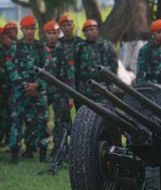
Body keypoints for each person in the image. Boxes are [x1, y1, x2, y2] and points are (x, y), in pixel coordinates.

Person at [5, 15, 49, 163]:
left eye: (32, 29)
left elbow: (47, 68)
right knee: (16, 121)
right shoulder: (14, 47)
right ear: (22, 30)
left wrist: (37, 84)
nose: (29, 32)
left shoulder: (41, 46)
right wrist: (24, 85)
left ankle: (42, 153)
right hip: (20, 92)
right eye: (26, 29)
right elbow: (10, 69)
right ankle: (14, 154)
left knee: (41, 121)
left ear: (35, 29)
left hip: (38, 91)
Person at [42, 20, 74, 157]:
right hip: (42, 90)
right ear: (45, 34)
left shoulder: (64, 51)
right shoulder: (40, 50)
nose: (52, 36)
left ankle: (60, 149)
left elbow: (70, 74)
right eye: (50, 33)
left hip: (60, 91)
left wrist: (71, 95)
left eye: (55, 33)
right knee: (41, 119)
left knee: (60, 121)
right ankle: (40, 148)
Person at [74, 19, 118, 107]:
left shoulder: (107, 46)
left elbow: (114, 66)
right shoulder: (79, 47)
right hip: (85, 90)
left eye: (92, 29)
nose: (89, 32)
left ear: (97, 30)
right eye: (87, 30)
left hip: (103, 90)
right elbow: (75, 69)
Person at [137, 19, 161, 85]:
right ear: (153, 33)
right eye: (158, 32)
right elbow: (141, 70)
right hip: (152, 85)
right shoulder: (145, 49)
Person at [0, 27, 15, 146]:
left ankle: (8, 141)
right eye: (6, 38)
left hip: (9, 91)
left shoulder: (12, 51)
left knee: (8, 117)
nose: (9, 40)